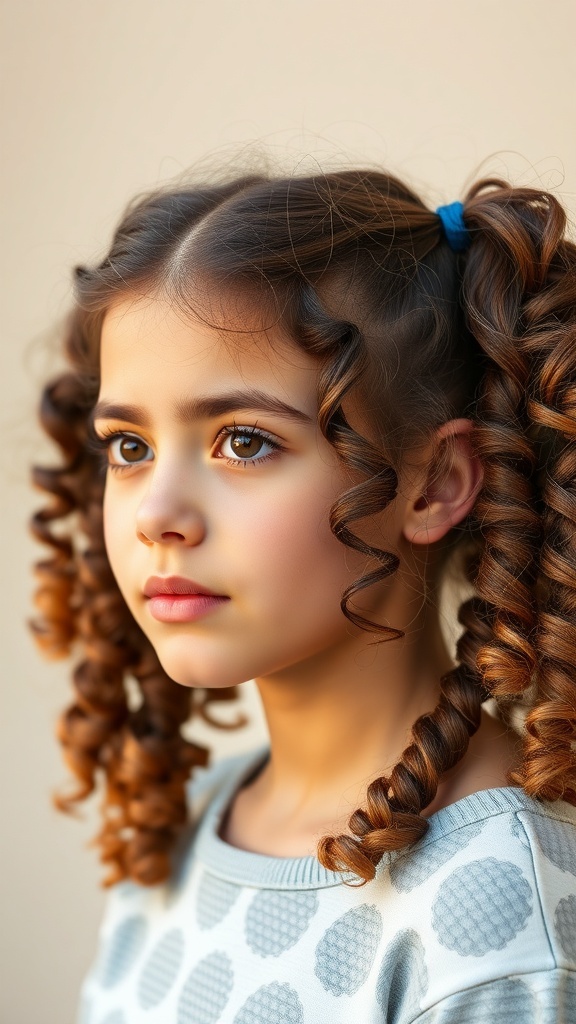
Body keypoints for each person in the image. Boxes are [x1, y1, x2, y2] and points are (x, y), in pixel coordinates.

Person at [31, 163, 576, 1023]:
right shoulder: (194, 830)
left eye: (243, 442)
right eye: (129, 448)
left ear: (433, 485)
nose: (158, 516)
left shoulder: (496, 901)